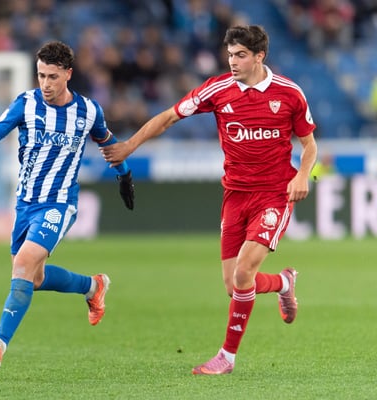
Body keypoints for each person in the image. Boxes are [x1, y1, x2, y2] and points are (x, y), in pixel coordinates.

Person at [101, 25, 318, 375]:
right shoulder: (217, 90)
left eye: (240, 55)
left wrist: (303, 174)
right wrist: (129, 145)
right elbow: (169, 117)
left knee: (245, 272)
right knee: (234, 286)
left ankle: (226, 358)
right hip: (235, 195)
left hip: (274, 194)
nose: (232, 61)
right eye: (230, 55)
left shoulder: (289, 93)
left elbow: (309, 144)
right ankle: (283, 282)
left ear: (259, 56)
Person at [0, 40, 135, 371]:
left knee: (23, 264)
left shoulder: (88, 111)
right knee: (32, 278)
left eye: (52, 76)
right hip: (25, 204)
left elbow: (108, 143)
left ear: (68, 74)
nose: (46, 84)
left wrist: (124, 176)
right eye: (41, 76)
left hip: (59, 203)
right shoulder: (26, 103)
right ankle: (93, 286)